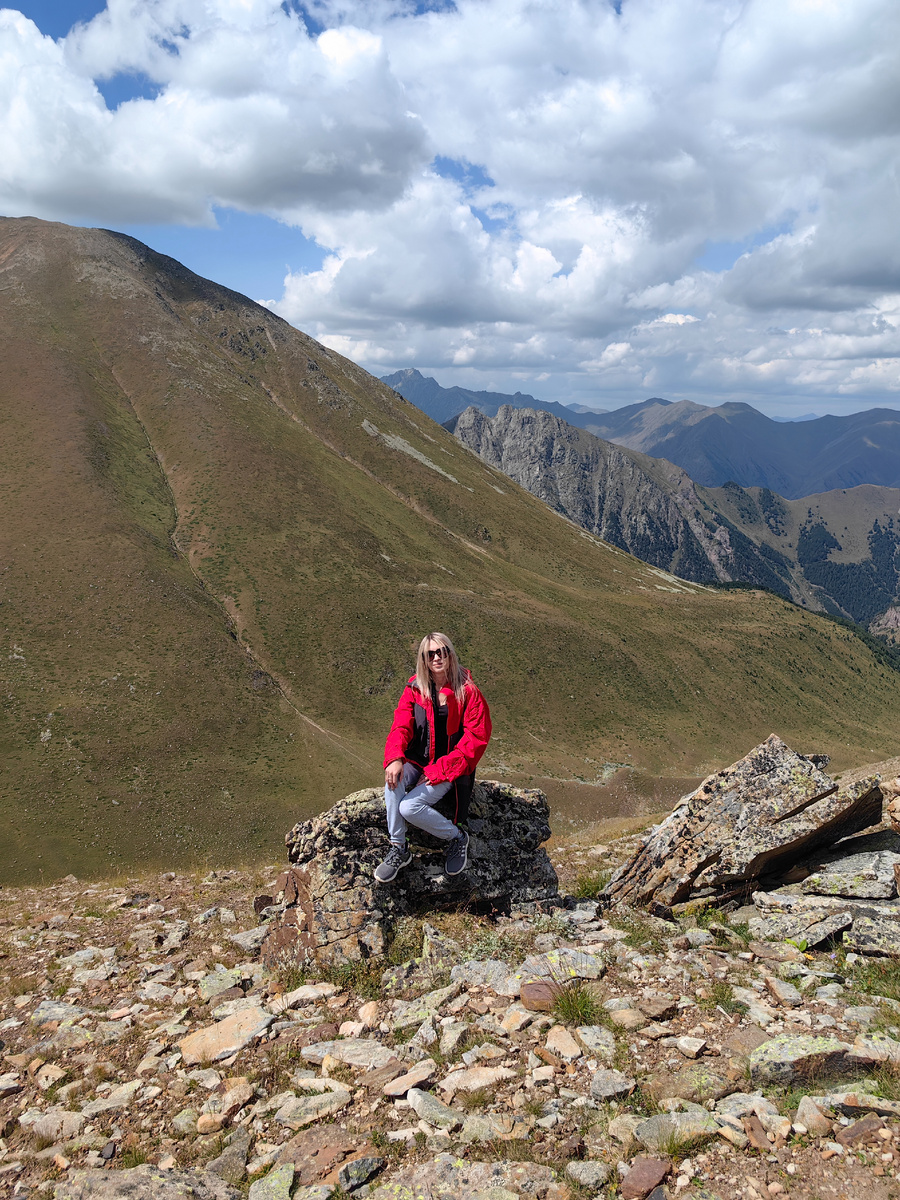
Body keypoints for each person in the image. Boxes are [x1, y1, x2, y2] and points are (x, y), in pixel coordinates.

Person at [375, 632, 492, 883]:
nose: (437, 657)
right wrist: (395, 757)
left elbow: (475, 741)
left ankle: (456, 838)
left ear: (450, 654)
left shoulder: (468, 692)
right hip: (417, 761)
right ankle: (399, 847)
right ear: (424, 659)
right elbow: (400, 727)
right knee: (392, 779)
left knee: (409, 807)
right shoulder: (415, 688)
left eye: (443, 652)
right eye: (431, 654)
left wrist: (437, 771)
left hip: (450, 767)